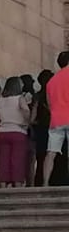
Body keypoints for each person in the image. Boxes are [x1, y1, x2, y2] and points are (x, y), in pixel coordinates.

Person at [0, 77, 33, 187]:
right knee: (17, 159)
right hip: (18, 131)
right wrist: (26, 121)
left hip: (3, 131)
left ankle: (2, 184)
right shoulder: (20, 98)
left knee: (3, 160)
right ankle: (17, 183)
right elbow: (25, 110)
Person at [43, 50, 69, 186]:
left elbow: (49, 103)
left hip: (55, 120)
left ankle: (45, 182)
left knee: (51, 152)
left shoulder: (51, 82)